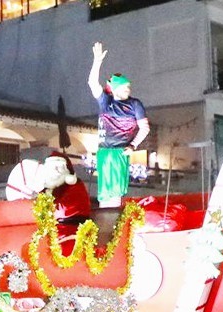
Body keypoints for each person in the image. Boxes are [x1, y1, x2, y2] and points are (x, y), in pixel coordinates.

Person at [88, 41, 150, 208]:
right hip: (104, 152)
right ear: (115, 89)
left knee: (115, 193)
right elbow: (93, 84)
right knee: (104, 194)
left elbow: (144, 128)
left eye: (129, 86)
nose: (128, 89)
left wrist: (133, 145)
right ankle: (104, 225)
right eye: (124, 87)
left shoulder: (135, 104)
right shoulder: (105, 102)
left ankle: (113, 223)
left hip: (119, 153)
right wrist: (97, 62)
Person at [41, 152, 91, 256]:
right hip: (49, 233)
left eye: (59, 167)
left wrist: (48, 201)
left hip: (70, 232)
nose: (55, 171)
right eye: (52, 167)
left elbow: (65, 210)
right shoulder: (45, 189)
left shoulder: (76, 186)